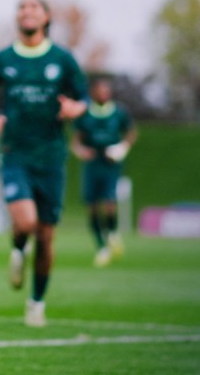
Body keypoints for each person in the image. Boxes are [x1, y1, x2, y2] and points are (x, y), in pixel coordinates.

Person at [0, 0, 88, 327]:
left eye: (33, 8)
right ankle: (17, 248)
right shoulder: (3, 59)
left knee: (47, 237)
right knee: (25, 222)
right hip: (15, 153)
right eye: (21, 8)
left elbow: (82, 97)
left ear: (47, 17)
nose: (26, 12)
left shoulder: (63, 59)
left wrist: (75, 109)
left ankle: (36, 302)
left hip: (52, 157)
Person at [72, 75, 137, 266]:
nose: (103, 94)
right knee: (91, 206)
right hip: (92, 164)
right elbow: (76, 140)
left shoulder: (119, 112)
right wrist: (80, 150)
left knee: (109, 202)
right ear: (93, 93)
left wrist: (122, 147)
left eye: (106, 91)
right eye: (100, 91)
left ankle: (113, 234)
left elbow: (131, 132)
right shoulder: (85, 113)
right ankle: (101, 246)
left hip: (110, 163)